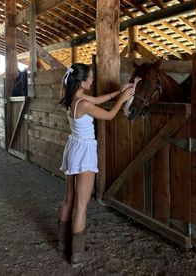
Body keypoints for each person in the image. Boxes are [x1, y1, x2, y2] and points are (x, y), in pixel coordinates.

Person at [58, 63, 134, 268]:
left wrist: (119, 91)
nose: (93, 81)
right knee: (81, 205)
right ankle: (78, 255)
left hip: (73, 147)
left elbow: (98, 100)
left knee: (68, 199)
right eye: (90, 78)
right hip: (84, 152)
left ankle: (63, 244)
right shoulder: (83, 103)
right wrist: (122, 100)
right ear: (82, 82)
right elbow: (108, 116)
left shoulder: (72, 98)